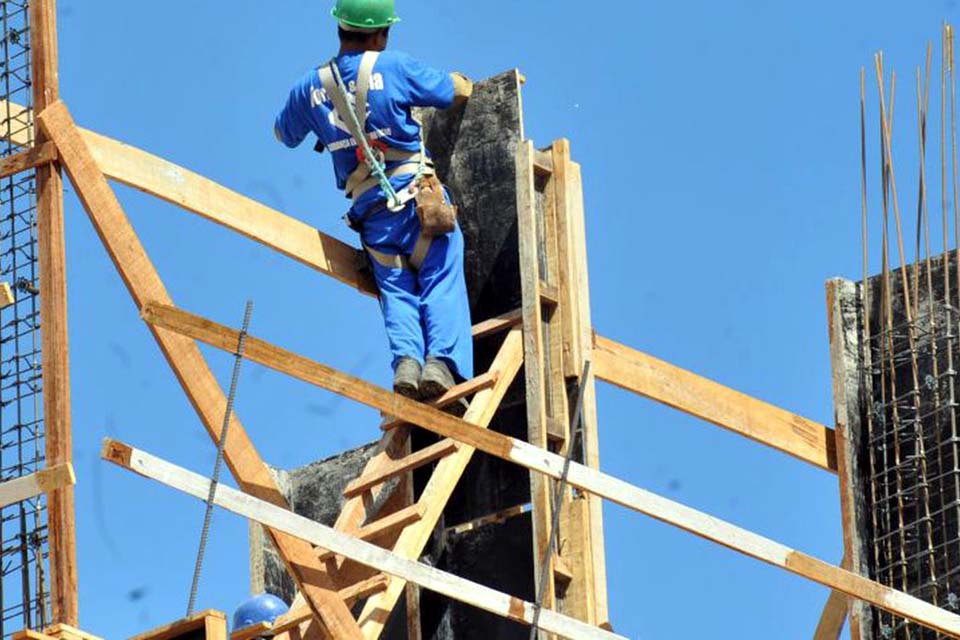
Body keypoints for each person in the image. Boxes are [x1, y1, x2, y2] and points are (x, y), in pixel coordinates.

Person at [274, 0, 475, 404]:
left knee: (396, 288)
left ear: (340, 29)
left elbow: (283, 134)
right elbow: (452, 90)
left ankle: (406, 364)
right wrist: (461, 80)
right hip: (418, 200)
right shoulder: (396, 67)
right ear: (382, 33)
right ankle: (442, 364)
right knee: (439, 274)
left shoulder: (309, 87)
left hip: (372, 217)